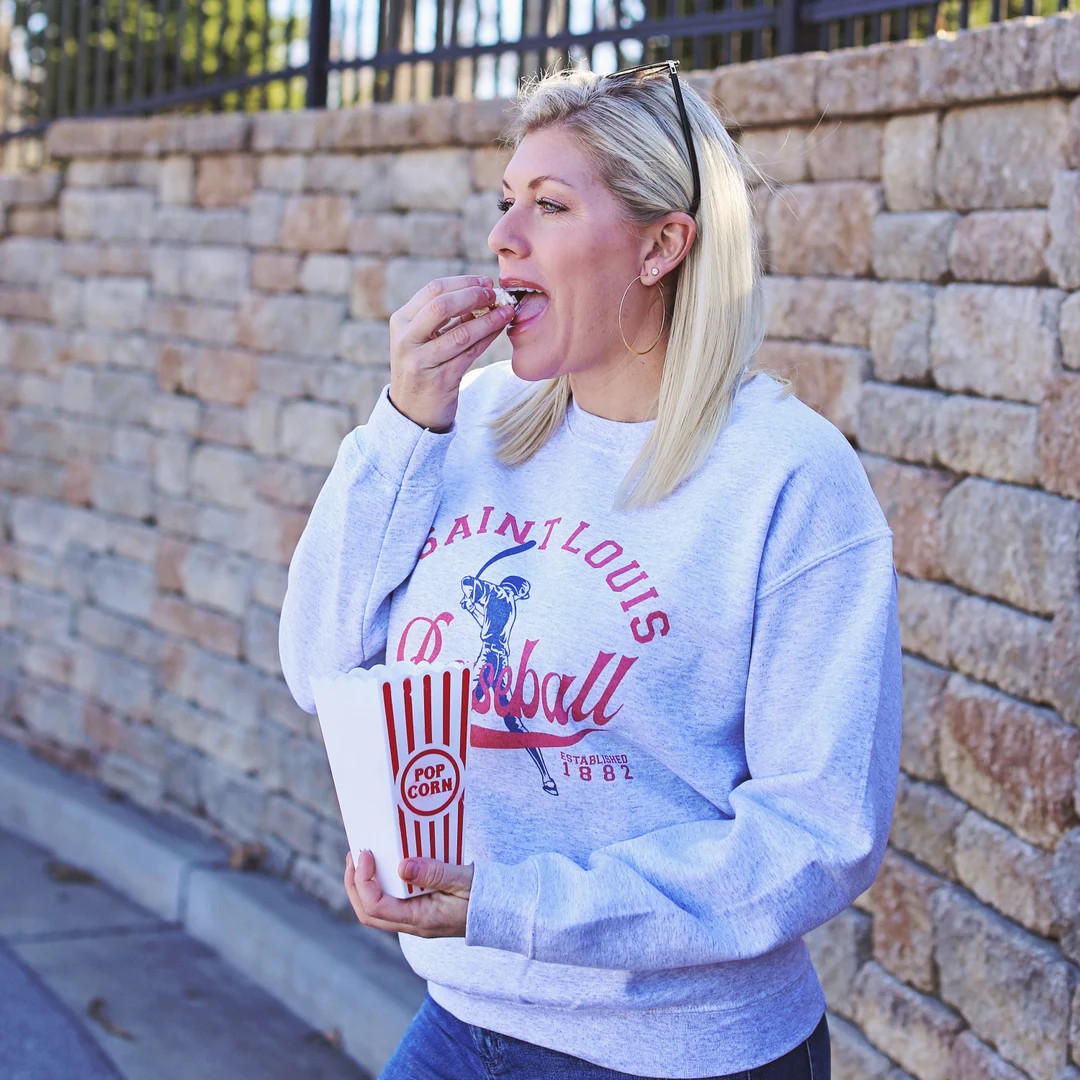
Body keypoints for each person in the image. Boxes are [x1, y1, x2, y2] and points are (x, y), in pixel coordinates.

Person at [278, 59, 902, 1080]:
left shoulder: (787, 477)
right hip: (462, 1015)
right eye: (505, 200)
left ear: (662, 246)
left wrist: (515, 904)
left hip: (679, 1050)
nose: (503, 236)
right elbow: (319, 667)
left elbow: (817, 835)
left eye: (551, 204)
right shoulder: (463, 422)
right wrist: (402, 427)